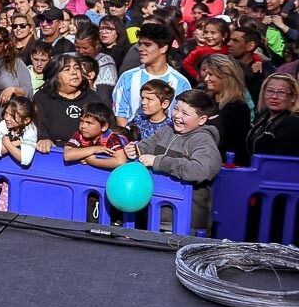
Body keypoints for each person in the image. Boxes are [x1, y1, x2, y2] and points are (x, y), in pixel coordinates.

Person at [124, 90, 223, 231]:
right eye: (176, 109)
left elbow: (201, 170)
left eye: (185, 113)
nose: (177, 116)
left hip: (184, 220)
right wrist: (135, 150)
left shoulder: (203, 141)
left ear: (201, 119)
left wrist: (159, 162)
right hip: (155, 213)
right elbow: (148, 145)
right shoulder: (168, 130)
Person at [112, 22, 190, 127]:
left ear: (163, 48)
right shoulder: (127, 77)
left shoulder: (181, 82)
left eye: (147, 45)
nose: (141, 49)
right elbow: (120, 116)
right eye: (140, 44)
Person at [32, 54, 111, 150]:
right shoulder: (42, 97)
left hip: (88, 153)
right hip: (55, 152)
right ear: (55, 75)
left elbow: (108, 127)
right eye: (67, 69)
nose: (74, 72)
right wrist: (44, 138)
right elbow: (39, 126)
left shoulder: (92, 97)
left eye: (77, 68)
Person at [196, 54, 252, 162]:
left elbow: (227, 142)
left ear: (226, 76)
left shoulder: (238, 108)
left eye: (211, 74)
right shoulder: (205, 101)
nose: (206, 79)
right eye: (206, 73)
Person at [243, 73, 299, 165]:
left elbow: (282, 161)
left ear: (293, 97)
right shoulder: (262, 116)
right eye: (270, 91)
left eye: (281, 92)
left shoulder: (292, 123)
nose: (274, 97)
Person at [62, 103, 128, 169]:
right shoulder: (79, 135)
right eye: (81, 121)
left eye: (89, 123)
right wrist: (94, 149)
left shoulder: (111, 138)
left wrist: (92, 161)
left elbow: (120, 161)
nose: (83, 126)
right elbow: (68, 155)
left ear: (104, 126)